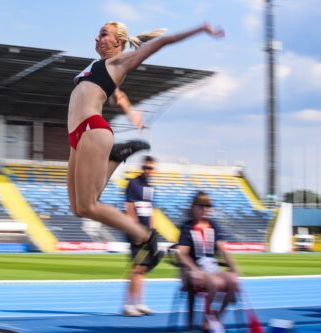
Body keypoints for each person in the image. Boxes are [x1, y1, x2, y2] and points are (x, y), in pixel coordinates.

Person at [67, 21, 224, 269]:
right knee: (79, 209)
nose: (97, 38)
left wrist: (201, 29)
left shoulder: (120, 62)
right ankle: (116, 158)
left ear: (118, 42)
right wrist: (131, 112)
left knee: (89, 205)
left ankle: (146, 237)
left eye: (103, 34)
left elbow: (162, 42)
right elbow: (116, 94)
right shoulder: (99, 66)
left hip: (92, 129)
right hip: (77, 135)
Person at [177, 191, 239, 330]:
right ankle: (208, 320)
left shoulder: (213, 225)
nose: (206, 209)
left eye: (209, 206)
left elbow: (222, 249)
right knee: (215, 282)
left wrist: (233, 268)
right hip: (193, 270)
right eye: (202, 206)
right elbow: (182, 254)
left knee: (233, 281)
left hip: (211, 268)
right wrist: (195, 270)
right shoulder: (188, 227)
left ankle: (214, 318)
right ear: (194, 207)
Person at [123, 156, 164, 316]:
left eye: (151, 168)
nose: (148, 170)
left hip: (148, 233)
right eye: (146, 167)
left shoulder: (151, 187)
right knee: (136, 268)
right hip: (136, 232)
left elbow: (151, 210)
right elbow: (129, 207)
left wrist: (152, 231)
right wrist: (135, 230)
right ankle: (128, 305)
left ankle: (139, 303)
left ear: (154, 170)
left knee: (143, 268)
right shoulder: (133, 184)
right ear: (142, 168)